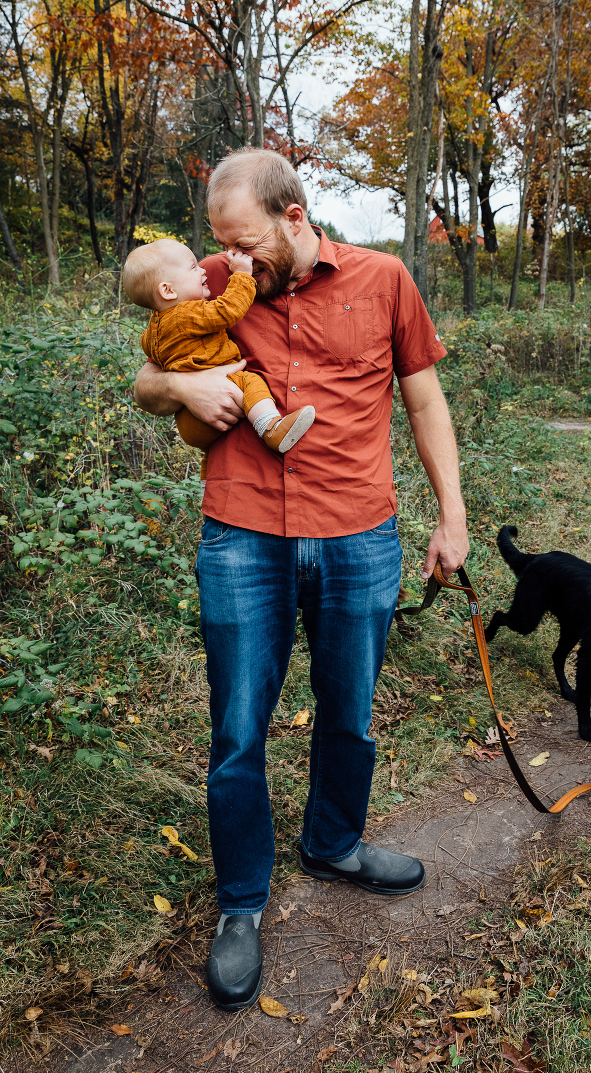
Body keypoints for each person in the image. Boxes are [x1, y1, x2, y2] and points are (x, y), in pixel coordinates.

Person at [133, 148, 469, 1012]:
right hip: (242, 536)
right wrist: (180, 382)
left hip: (359, 535)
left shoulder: (386, 279)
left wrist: (452, 515)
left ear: (294, 216)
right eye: (220, 246)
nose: (230, 260)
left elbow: (425, 401)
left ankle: (335, 844)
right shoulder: (214, 276)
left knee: (349, 709)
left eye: (244, 242)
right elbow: (144, 373)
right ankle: (241, 904)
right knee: (239, 729)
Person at [123, 238, 315, 482]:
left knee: (210, 450)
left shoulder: (150, 333)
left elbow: (158, 362)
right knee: (250, 382)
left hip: (189, 421)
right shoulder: (187, 313)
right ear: (168, 291)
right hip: (215, 397)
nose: (203, 270)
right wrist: (242, 275)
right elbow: (228, 310)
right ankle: (271, 429)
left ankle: (206, 478)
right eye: (193, 267)